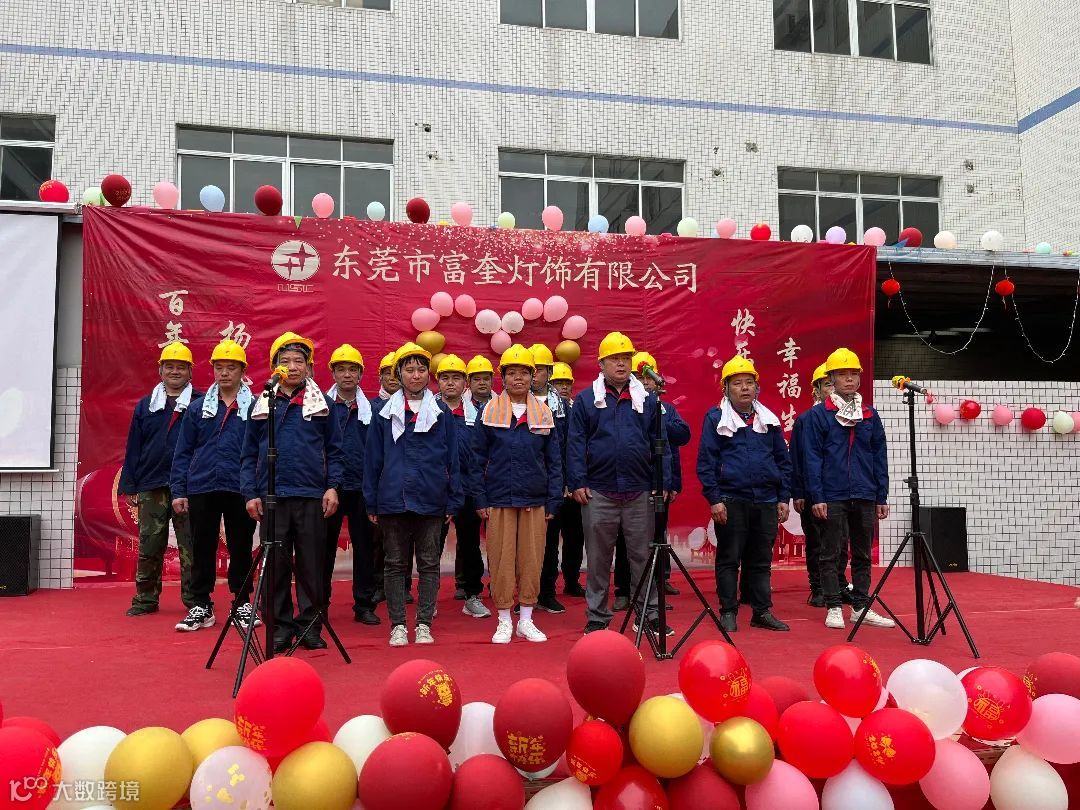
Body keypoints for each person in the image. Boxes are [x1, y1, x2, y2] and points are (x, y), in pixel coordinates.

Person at [241, 331, 344, 652]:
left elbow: (335, 450)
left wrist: (332, 486)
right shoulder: (262, 404)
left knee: (312, 565)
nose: (293, 366)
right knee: (275, 567)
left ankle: (310, 626)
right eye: (285, 361)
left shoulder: (323, 404)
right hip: (272, 497)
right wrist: (250, 493)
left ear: (309, 367)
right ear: (275, 367)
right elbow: (248, 454)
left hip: (312, 495)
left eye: (299, 361)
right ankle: (280, 628)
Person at [567, 331, 671, 637]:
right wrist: (577, 481)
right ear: (601, 364)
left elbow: (661, 443)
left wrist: (662, 480)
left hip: (639, 490)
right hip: (598, 491)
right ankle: (597, 617)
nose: (622, 364)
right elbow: (575, 444)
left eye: (626, 358)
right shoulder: (587, 399)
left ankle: (649, 614)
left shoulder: (647, 399)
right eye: (615, 359)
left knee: (642, 557)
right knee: (598, 559)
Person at [364, 342, 462, 647]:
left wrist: (453, 499)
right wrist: (371, 501)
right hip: (393, 499)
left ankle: (423, 623)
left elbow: (453, 460)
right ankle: (397, 625)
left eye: (421, 370)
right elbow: (372, 460)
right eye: (409, 369)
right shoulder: (383, 414)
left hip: (431, 499)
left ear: (428, 375)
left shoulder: (441, 413)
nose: (416, 375)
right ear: (399, 374)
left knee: (429, 564)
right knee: (395, 563)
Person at [471, 345, 562, 644]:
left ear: (534, 377)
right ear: (503, 378)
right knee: (501, 561)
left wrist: (553, 500)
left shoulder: (544, 414)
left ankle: (526, 619)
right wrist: (480, 499)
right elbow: (476, 460)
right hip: (499, 499)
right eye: (512, 373)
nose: (518, 378)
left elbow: (554, 461)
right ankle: (503, 620)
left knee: (531, 561)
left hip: (535, 499)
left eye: (524, 372)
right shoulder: (489, 412)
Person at [697, 356, 792, 633]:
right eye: (737, 383)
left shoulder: (768, 419)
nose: (745, 388)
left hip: (766, 500)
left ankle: (761, 612)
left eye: (749, 382)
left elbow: (783, 461)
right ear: (726, 389)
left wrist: (783, 497)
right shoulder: (716, 418)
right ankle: (728, 611)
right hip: (731, 499)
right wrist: (715, 499)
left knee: (761, 561)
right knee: (729, 559)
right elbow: (706, 462)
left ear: (757, 388)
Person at [802, 347, 895, 630]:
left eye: (854, 374)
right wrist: (817, 496)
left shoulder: (870, 414)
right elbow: (813, 458)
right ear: (831, 378)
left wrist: (881, 495)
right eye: (843, 374)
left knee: (863, 554)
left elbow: (879, 455)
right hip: (833, 494)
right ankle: (833, 606)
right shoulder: (819, 416)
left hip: (865, 493)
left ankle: (860, 606)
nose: (850, 379)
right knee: (831, 553)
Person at [170, 339, 257, 632]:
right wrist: (179, 490)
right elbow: (183, 451)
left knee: (241, 546)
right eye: (219, 367)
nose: (224, 373)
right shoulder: (198, 409)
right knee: (202, 547)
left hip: (240, 487)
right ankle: (201, 605)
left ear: (242, 371)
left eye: (231, 367)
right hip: (202, 486)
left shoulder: (255, 407)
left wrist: (256, 489)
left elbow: (261, 450)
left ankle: (242, 602)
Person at [119, 341, 200, 617]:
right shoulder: (146, 406)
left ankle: (195, 601)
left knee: (191, 546)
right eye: (169, 367)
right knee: (150, 545)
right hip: (151, 484)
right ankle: (145, 599)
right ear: (160, 371)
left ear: (190, 372)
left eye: (181, 367)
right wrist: (130, 485)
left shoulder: (201, 403)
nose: (175, 372)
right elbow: (134, 447)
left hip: (188, 486)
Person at [612, 351, 691, 609]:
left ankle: (657, 584)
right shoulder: (625, 407)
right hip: (633, 484)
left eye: (649, 378)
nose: (645, 383)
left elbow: (682, 437)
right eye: (639, 377)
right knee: (627, 538)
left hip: (659, 485)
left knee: (657, 535)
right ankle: (624, 590)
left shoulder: (665, 409)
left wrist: (658, 419)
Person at [322, 344, 380, 627]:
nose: (347, 374)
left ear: (360, 374)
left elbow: (379, 451)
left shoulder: (373, 410)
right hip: (329, 488)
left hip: (362, 488)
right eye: (341, 369)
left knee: (366, 549)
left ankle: (364, 605)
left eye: (352, 369)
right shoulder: (321, 407)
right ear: (333, 373)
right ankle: (319, 604)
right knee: (323, 549)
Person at [434, 354, 490, 619]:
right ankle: (428, 598)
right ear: (437, 381)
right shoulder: (429, 411)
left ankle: (472, 596)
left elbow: (480, 455)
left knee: (470, 545)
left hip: (467, 490)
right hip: (437, 492)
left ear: (464, 382)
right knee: (432, 547)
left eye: (456, 378)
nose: (451, 383)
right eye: (445, 378)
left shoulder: (477, 414)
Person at [791, 362, 850, 608]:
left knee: (841, 542)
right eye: (827, 385)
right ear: (816, 390)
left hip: (841, 493)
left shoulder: (849, 418)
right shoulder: (805, 420)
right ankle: (817, 588)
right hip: (813, 492)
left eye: (834, 383)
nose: (832, 389)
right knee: (817, 543)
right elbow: (797, 458)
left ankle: (839, 585)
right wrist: (798, 492)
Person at [529, 343, 571, 614]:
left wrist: (567, 481)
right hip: (526, 481)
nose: (534, 375)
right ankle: (523, 594)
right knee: (524, 545)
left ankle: (546, 593)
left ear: (549, 372)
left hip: (554, 482)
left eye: (539, 370)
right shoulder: (513, 403)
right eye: (529, 370)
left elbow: (570, 445)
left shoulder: (563, 406)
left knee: (550, 541)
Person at [550, 362, 585, 598]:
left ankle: (572, 581)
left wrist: (575, 483)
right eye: (558, 383)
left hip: (574, 488)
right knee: (549, 541)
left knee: (575, 538)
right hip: (552, 488)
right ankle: (548, 586)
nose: (563, 387)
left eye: (566, 383)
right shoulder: (542, 409)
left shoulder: (579, 410)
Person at [368, 350, 400, 606]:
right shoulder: (371, 407)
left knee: (404, 540)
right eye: (386, 373)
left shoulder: (417, 407)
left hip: (402, 483)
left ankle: (403, 586)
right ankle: (378, 585)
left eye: (394, 372)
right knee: (378, 541)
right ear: (379, 377)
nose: (391, 378)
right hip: (380, 483)